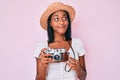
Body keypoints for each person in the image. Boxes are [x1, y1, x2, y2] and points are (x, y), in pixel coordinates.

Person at [34, 2, 87, 80]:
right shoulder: (42, 47)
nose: (62, 22)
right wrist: (44, 65)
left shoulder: (77, 44)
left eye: (65, 18)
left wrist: (77, 68)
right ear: (50, 23)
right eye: (56, 19)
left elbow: (83, 77)